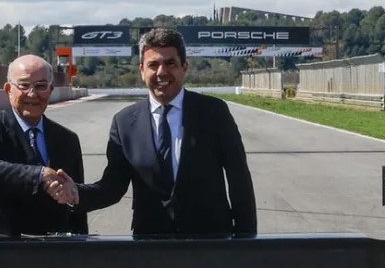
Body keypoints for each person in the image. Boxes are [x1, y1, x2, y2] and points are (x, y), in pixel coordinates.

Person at [48, 27, 256, 237]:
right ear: (141, 70)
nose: (161, 72)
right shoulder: (124, 122)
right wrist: (76, 193)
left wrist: (247, 239)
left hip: (210, 242)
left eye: (170, 64)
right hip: (149, 246)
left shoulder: (214, 112)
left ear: (184, 67)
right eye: (153, 65)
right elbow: (112, 187)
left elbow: (239, 178)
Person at [0, 54, 87, 239]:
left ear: (50, 90)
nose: (32, 94)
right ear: (8, 89)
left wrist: (82, 244)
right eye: (24, 85)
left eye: (40, 86)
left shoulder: (67, 139)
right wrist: (39, 175)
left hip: (53, 254)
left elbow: (75, 198)